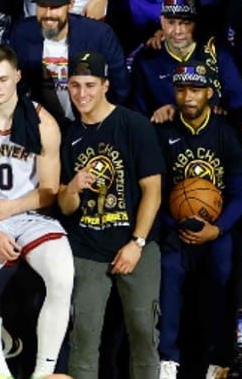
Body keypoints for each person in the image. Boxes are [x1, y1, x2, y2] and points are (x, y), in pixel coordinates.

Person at [0, 44, 72, 379]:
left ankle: (43, 373)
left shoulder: (42, 121)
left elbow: (49, 191)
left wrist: (13, 207)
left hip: (32, 214)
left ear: (17, 76)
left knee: (62, 277)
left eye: (3, 78)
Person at [57, 51, 162, 378]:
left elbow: (153, 191)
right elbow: (64, 207)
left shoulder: (134, 125)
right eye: (74, 86)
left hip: (136, 245)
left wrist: (137, 243)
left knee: (144, 331)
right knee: (84, 335)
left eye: (89, 85)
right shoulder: (69, 136)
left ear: (105, 85)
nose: (81, 94)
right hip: (87, 247)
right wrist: (72, 187)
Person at [154, 61, 242, 378]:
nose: (188, 97)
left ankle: (216, 359)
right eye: (181, 90)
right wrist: (175, 223)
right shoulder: (163, 132)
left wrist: (217, 229)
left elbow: (239, 193)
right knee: (168, 271)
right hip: (175, 228)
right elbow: (157, 192)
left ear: (210, 92)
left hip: (216, 230)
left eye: (195, 90)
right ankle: (167, 359)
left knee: (222, 271)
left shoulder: (226, 135)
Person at [7, 0, 129, 123]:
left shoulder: (99, 35)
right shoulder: (21, 33)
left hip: (90, 122)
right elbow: (15, 86)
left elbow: (120, 87)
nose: (48, 14)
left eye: (55, 6)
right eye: (42, 6)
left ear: (70, 5)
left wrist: (103, 123)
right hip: (41, 122)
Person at [129, 0, 242, 119]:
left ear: (196, 23)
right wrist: (156, 118)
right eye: (171, 22)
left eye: (185, 23)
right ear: (162, 21)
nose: (177, 31)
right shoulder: (146, 60)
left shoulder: (217, 51)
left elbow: (239, 107)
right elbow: (137, 116)